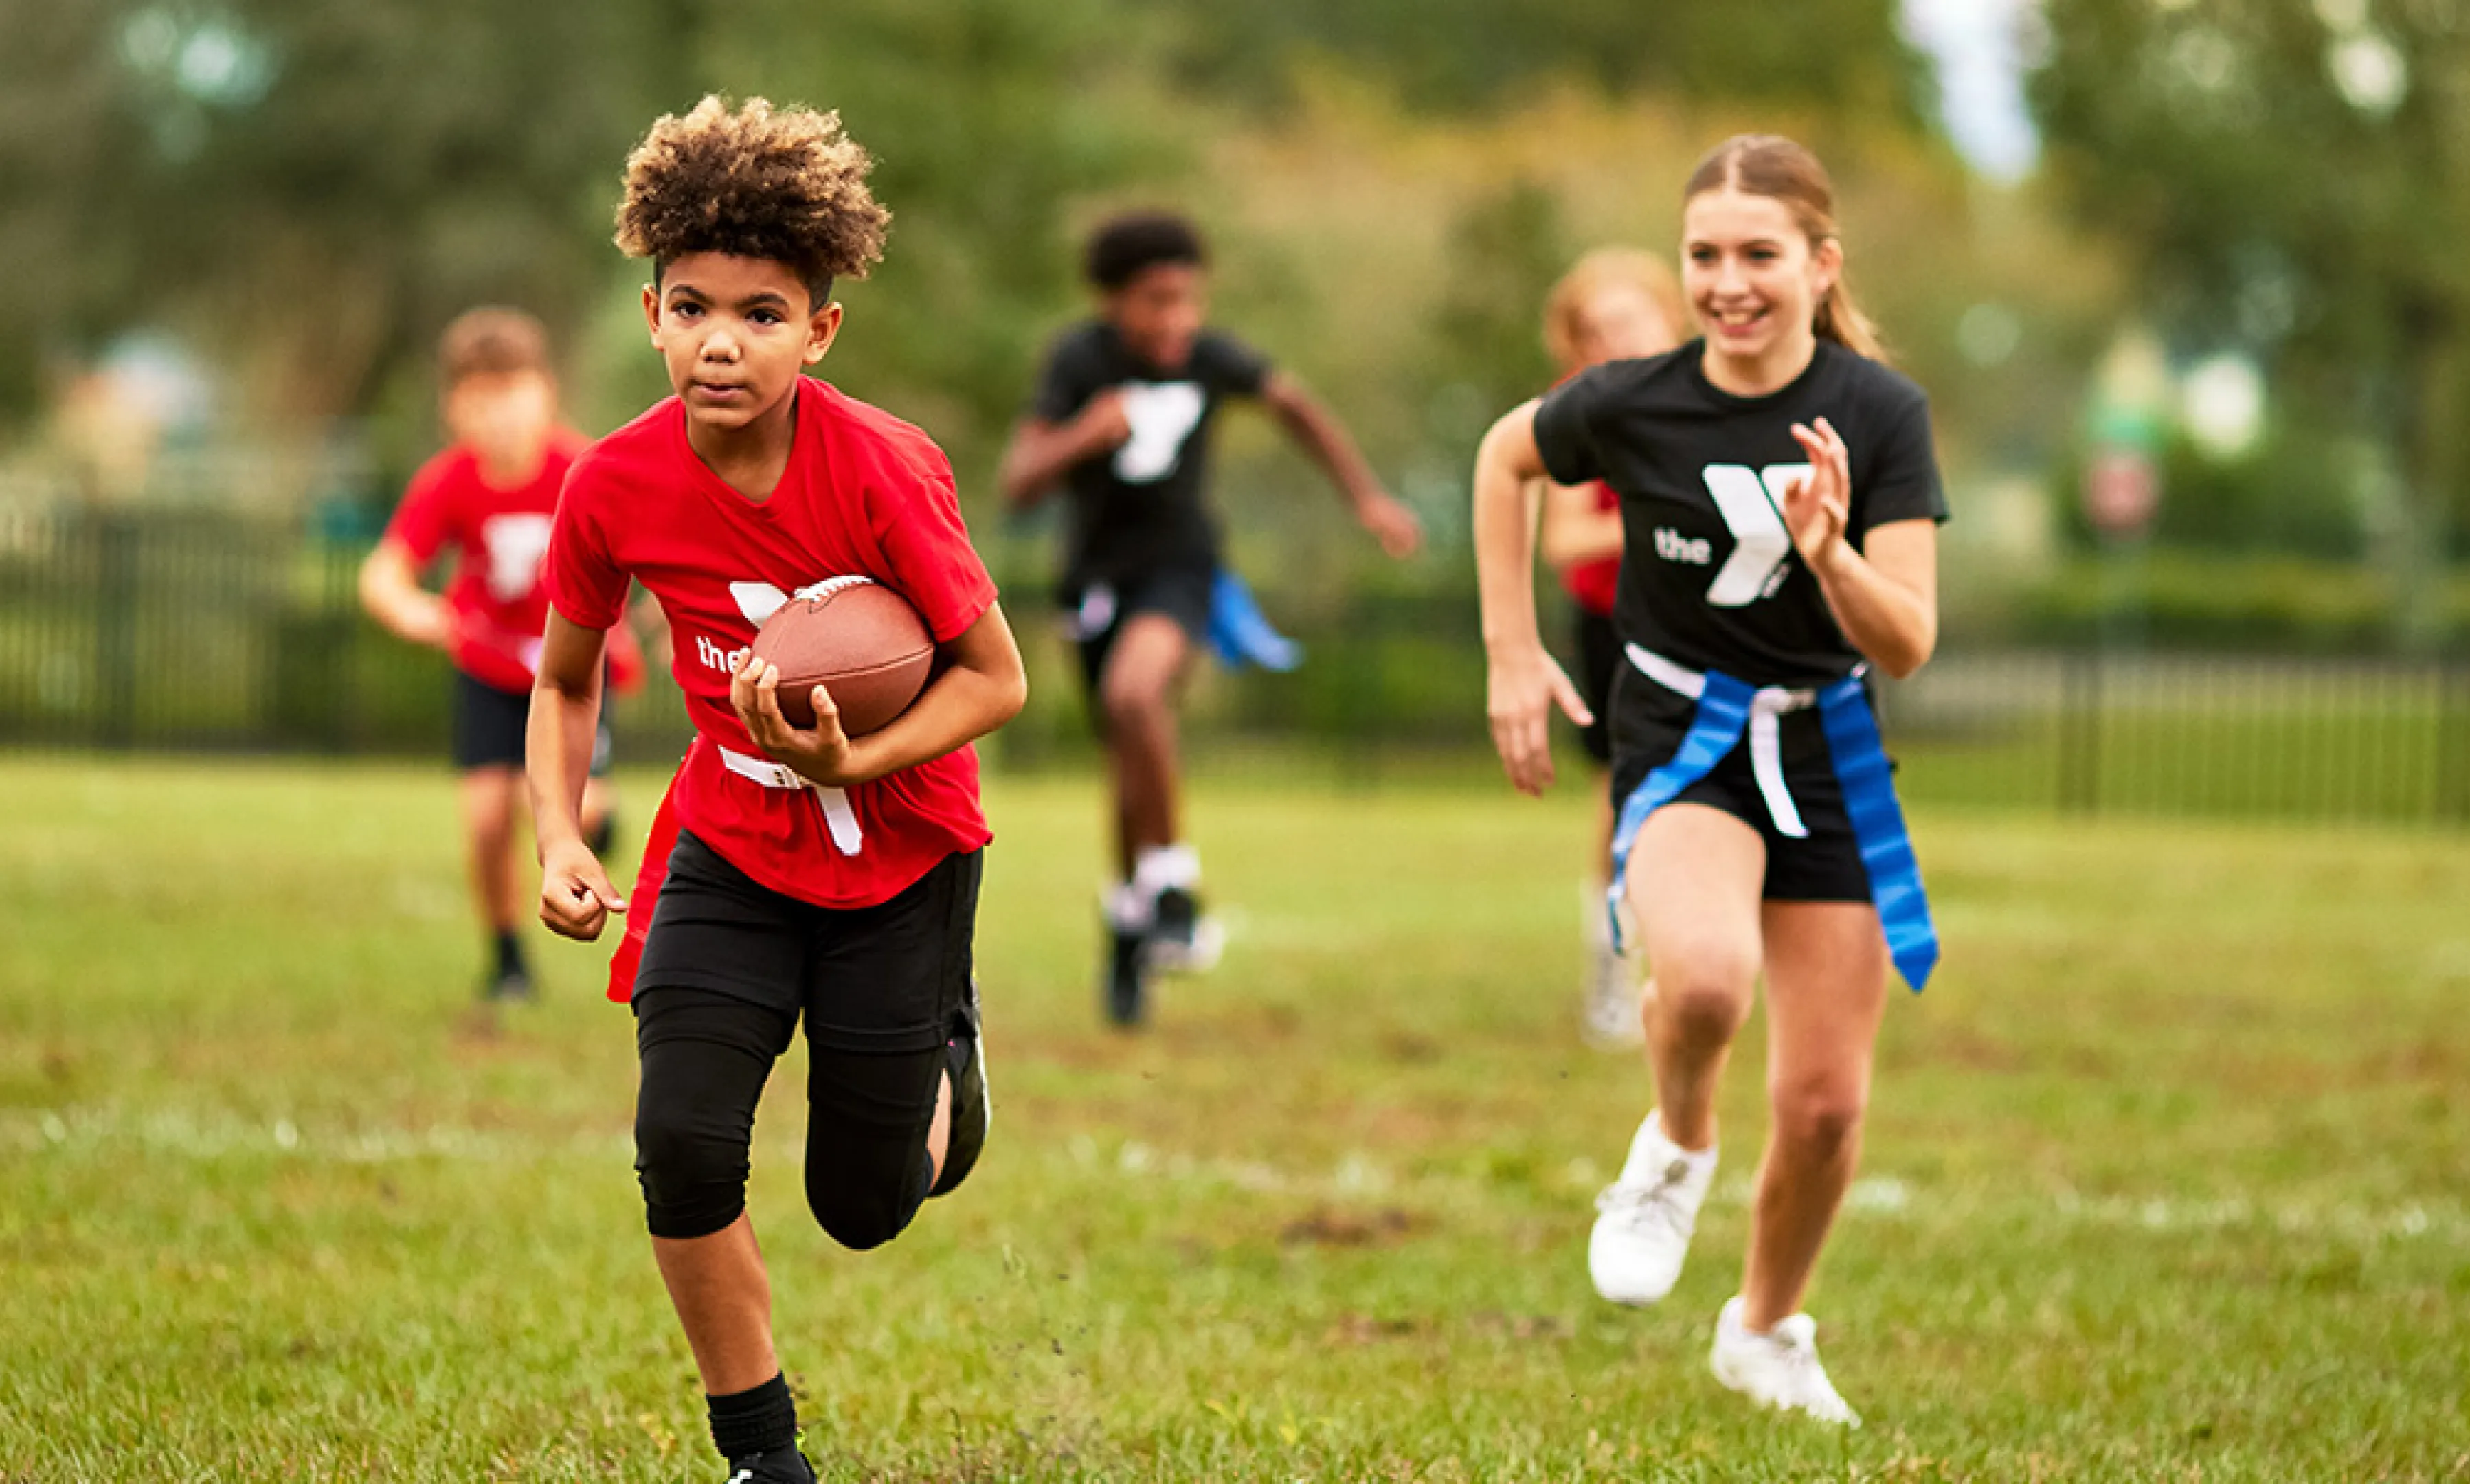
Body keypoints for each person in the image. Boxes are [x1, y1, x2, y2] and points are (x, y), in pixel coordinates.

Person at [527, 97, 1029, 1484]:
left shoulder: (884, 464)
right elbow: (566, 681)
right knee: (681, 1144)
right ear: (651, 316)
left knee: (865, 1208)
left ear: (820, 330)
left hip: (902, 851)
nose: (721, 341)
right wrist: (563, 834)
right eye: (692, 308)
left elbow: (997, 680)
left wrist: (852, 757)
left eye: (760, 312)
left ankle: (948, 1060)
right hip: (732, 848)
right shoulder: (612, 482)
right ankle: (762, 1459)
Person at [1472, 134, 1946, 1425]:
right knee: (1708, 986)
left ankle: (1765, 1328)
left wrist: (1835, 555)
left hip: (1827, 752)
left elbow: (1908, 637)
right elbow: (1505, 458)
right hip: (1683, 742)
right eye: (1704, 257)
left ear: (1818, 263)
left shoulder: (1879, 414)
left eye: (1759, 255)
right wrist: (1514, 654)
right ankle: (1677, 1143)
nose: (1729, 282)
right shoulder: (1635, 398)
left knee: (1829, 1108)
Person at [997, 210, 1422, 1027]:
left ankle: (1174, 885)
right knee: (1129, 758)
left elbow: (1297, 407)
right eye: (1157, 301)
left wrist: (1365, 496)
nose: (1177, 320)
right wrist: (1086, 433)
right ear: (1113, 302)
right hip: (1095, 582)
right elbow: (1019, 479)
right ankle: (1133, 919)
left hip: (1183, 571)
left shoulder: (1213, 359)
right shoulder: (1079, 360)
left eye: (1189, 300)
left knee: (1135, 698)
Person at [359, 307, 644, 1003]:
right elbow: (384, 574)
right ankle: (508, 958)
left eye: (512, 394)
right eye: (480, 399)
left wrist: (639, 625)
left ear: (546, 391)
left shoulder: (583, 468)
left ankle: (600, 826)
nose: (500, 416)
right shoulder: (450, 482)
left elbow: (643, 553)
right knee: (488, 817)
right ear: (453, 407)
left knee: (565, 807)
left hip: (573, 672)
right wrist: (415, 612)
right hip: (487, 673)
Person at [1534, 249, 1690, 1048]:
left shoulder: (1719, 398)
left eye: (1627, 320)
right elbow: (1565, 539)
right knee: (1623, 792)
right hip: (1617, 625)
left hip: (1708, 620)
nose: (1613, 341)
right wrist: (1671, 513)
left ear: (1672, 314)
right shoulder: (1578, 414)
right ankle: (1612, 961)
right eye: (1593, 332)